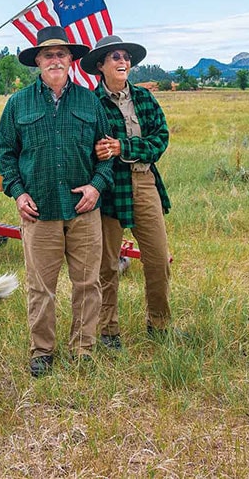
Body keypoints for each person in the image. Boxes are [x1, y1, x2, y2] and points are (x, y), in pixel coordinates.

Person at [0, 26, 114, 377]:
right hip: (40, 210)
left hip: (84, 210)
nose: (55, 60)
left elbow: (106, 153)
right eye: (48, 54)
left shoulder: (89, 102)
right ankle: (42, 352)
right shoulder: (18, 104)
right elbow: (6, 155)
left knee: (87, 284)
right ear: (37, 61)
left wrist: (95, 186)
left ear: (71, 60)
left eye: (62, 54)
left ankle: (83, 350)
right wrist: (18, 192)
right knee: (40, 287)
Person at [81, 34, 173, 349]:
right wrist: (103, 152)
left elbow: (160, 138)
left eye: (126, 57)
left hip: (144, 180)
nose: (123, 62)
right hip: (110, 186)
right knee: (107, 263)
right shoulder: (91, 104)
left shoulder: (145, 98)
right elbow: (91, 147)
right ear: (101, 67)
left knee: (158, 257)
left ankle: (159, 324)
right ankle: (108, 331)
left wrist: (124, 146)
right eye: (115, 58)